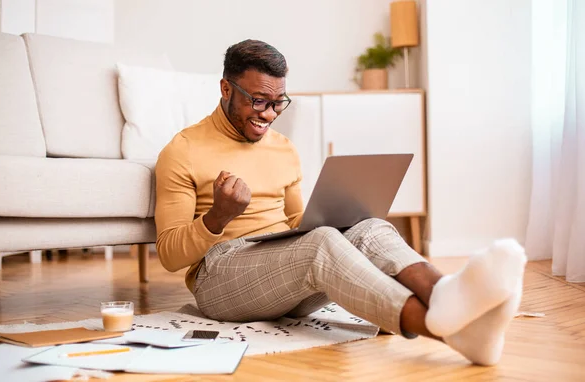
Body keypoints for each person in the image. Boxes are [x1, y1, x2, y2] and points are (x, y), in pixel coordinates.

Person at [154, 39, 526, 366]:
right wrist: (218, 217)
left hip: (283, 270)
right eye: (257, 101)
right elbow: (170, 255)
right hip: (220, 279)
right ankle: (445, 328)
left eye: (277, 102)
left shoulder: (284, 148)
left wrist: (344, 215)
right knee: (320, 245)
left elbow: (299, 220)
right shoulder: (183, 150)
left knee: (370, 227)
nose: (268, 114)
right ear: (225, 89)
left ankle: (447, 295)